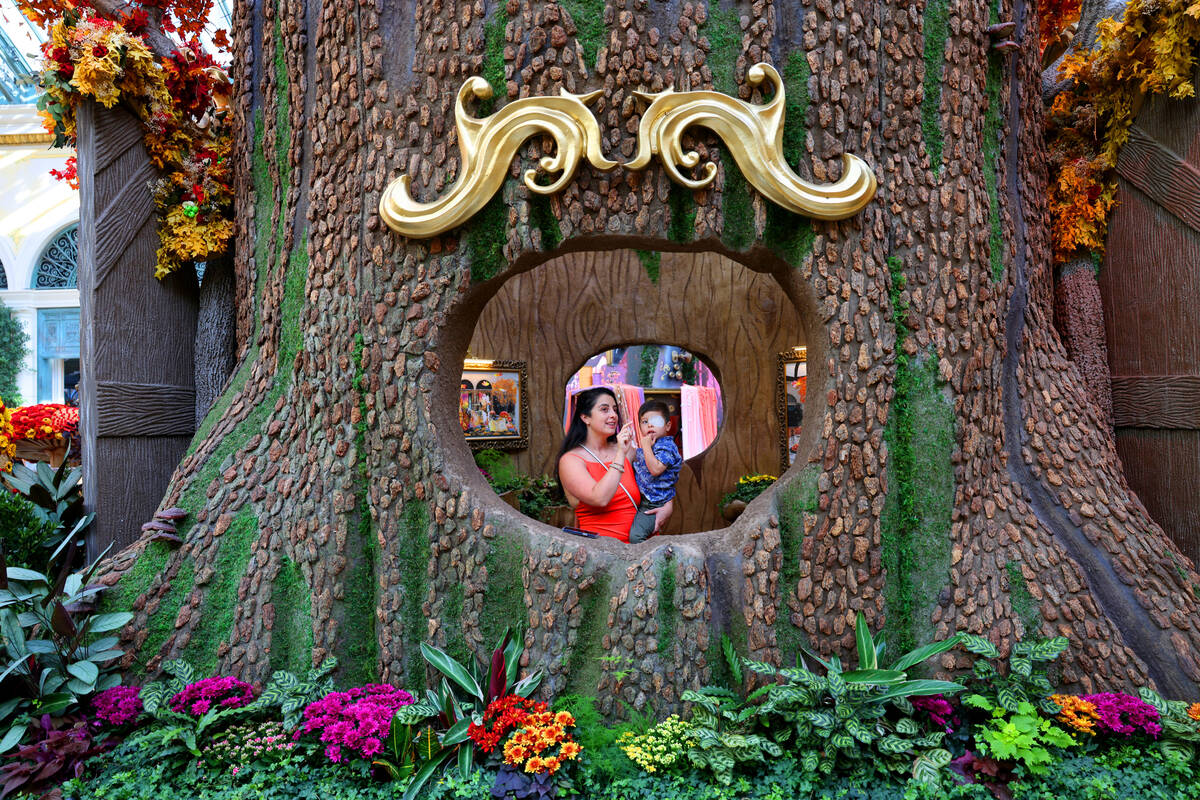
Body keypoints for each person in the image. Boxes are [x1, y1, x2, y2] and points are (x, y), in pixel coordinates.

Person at [557, 387, 671, 542]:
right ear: (585, 417)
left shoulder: (628, 451)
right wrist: (620, 454)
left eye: (615, 409)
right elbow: (600, 498)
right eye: (604, 409)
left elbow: (660, 474)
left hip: (643, 548)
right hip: (602, 554)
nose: (613, 415)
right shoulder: (570, 461)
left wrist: (668, 505)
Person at [628, 400, 682, 543]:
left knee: (636, 536)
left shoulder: (667, 447)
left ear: (667, 426)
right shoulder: (651, 446)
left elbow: (656, 469)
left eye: (655, 421)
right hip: (644, 500)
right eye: (645, 422)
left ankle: (644, 562)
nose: (650, 425)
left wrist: (645, 446)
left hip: (655, 503)